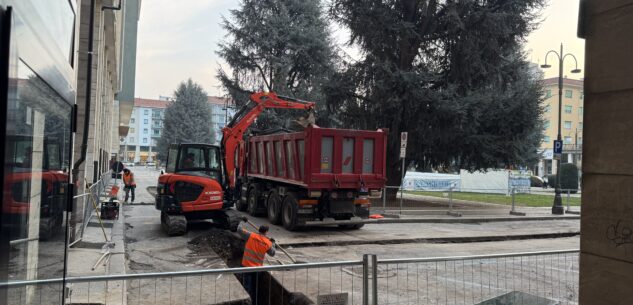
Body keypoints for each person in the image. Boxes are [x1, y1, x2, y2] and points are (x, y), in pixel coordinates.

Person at [238, 217, 276, 303]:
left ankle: (247, 302)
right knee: (255, 288)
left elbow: (239, 230)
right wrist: (273, 243)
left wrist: (241, 221)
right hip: (257, 269)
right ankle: (254, 302)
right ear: (266, 232)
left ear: (259, 230)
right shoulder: (268, 243)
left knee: (246, 287)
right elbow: (273, 253)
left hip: (246, 266)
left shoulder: (250, 235)